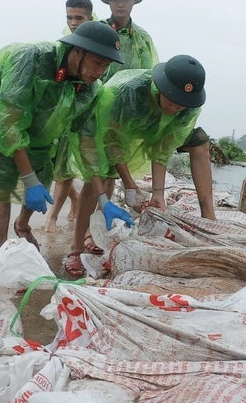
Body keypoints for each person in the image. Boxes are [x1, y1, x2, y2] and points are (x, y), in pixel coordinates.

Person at [0, 21, 130, 251]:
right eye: (97, 63)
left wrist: (103, 199)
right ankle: (0, 252)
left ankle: (22, 224)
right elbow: (10, 122)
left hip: (42, 132)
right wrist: (27, 178)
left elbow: (87, 142)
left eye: (106, 66)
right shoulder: (32, 59)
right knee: (2, 182)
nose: (100, 72)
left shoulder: (91, 89)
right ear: (77, 51)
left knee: (42, 175)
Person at [64, 56, 208, 277]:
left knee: (110, 178)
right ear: (160, 88)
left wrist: (158, 195)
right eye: (171, 101)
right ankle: (76, 248)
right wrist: (130, 185)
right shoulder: (127, 93)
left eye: (181, 105)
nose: (175, 108)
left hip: (140, 128)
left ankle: (94, 233)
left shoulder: (186, 108)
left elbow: (163, 146)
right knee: (96, 181)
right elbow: (112, 141)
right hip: (102, 124)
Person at [43, 0, 95, 234]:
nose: (73, 22)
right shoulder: (66, 39)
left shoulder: (99, 41)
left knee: (64, 165)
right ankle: (73, 198)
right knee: (57, 163)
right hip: (63, 105)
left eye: (79, 18)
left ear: (90, 18)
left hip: (85, 107)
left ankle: (52, 217)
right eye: (70, 17)